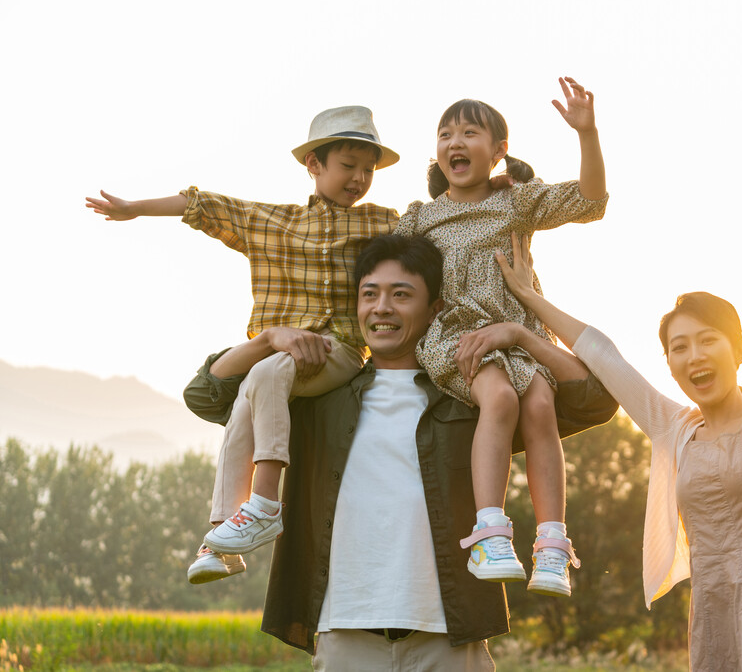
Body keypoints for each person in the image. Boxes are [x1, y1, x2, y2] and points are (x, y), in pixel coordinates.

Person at [476, 116, 742, 669]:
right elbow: (601, 353)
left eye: (707, 341)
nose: (693, 357)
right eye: (678, 348)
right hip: (716, 625)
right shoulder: (673, 428)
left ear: (738, 349)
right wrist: (526, 310)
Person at [184, 234, 618, 669]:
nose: (382, 308)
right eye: (369, 294)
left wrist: (523, 333)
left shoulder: (472, 400)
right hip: (345, 634)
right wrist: (266, 340)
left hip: (450, 638)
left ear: (435, 310)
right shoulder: (317, 402)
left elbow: (595, 399)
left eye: (401, 295)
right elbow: (207, 395)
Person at [85, 107, 401, 583]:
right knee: (244, 406)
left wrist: (496, 186)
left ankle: (266, 503)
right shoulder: (272, 222)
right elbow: (204, 205)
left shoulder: (382, 222)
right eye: (348, 164)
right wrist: (135, 209)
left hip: (335, 351)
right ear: (314, 165)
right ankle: (219, 540)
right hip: (277, 357)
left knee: (266, 373)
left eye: (368, 169)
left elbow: (439, 219)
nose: (359, 178)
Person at [394, 77, 608, 596]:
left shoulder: (518, 202)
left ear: (498, 151)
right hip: (459, 336)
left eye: (470, 132)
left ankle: (552, 545)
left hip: (517, 336)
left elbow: (591, 199)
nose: (455, 143)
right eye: (446, 134)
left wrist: (587, 133)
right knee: (501, 396)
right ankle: (490, 532)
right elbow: (390, 275)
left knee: (539, 405)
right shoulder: (420, 218)